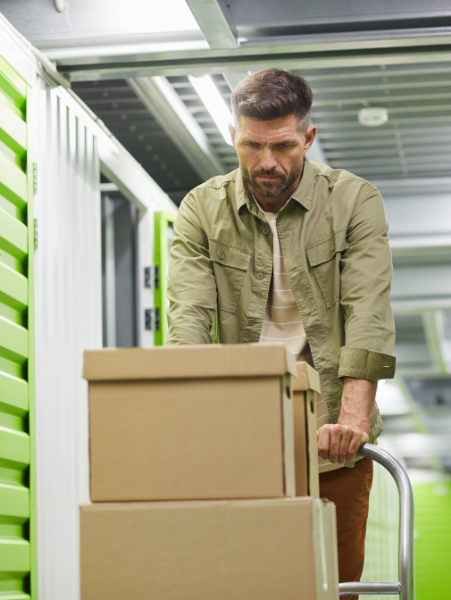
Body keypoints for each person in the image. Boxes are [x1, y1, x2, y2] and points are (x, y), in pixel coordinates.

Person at [166, 68, 396, 598]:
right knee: (241, 583)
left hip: (332, 432)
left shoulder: (354, 201)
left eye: (283, 146)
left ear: (308, 137)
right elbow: (189, 320)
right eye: (252, 145)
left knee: (332, 587)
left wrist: (353, 418)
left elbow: (368, 309)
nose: (267, 163)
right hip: (238, 429)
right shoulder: (202, 209)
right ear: (233, 135)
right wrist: (191, 425)